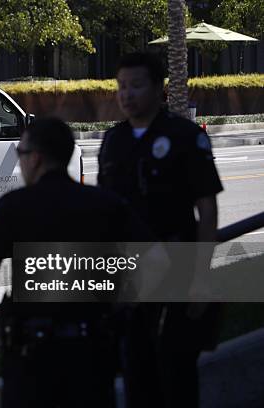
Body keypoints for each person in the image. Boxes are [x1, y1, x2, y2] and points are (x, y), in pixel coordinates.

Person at [0, 117, 152, 407]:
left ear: (36, 159)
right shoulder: (104, 203)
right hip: (92, 355)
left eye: (21, 154)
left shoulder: (15, 206)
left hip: (31, 360)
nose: (20, 162)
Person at [97, 52, 224, 408]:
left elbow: (207, 209)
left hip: (176, 271)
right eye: (121, 86)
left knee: (177, 373)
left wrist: (201, 276)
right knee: (136, 373)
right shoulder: (113, 142)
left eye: (136, 85)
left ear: (158, 88)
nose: (127, 94)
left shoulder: (184, 136)